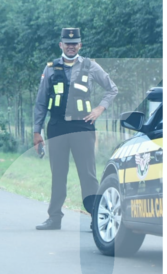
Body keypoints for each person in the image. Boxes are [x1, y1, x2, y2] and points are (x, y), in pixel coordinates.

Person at [34, 28, 118, 230]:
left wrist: (99, 109)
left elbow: (112, 88)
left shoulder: (90, 66)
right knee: (58, 174)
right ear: (61, 44)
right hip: (57, 126)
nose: (71, 47)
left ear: (80, 45)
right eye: (67, 43)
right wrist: (37, 131)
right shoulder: (51, 68)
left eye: (75, 44)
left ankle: (96, 219)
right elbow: (41, 102)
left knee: (88, 175)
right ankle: (54, 218)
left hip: (82, 126)